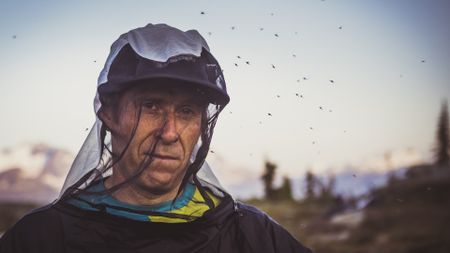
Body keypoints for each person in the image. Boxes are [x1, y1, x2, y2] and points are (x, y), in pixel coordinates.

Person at [0, 23, 312, 253]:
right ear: (109, 113)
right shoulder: (39, 239)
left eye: (187, 110)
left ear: (203, 122)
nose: (170, 132)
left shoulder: (252, 237)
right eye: (151, 106)